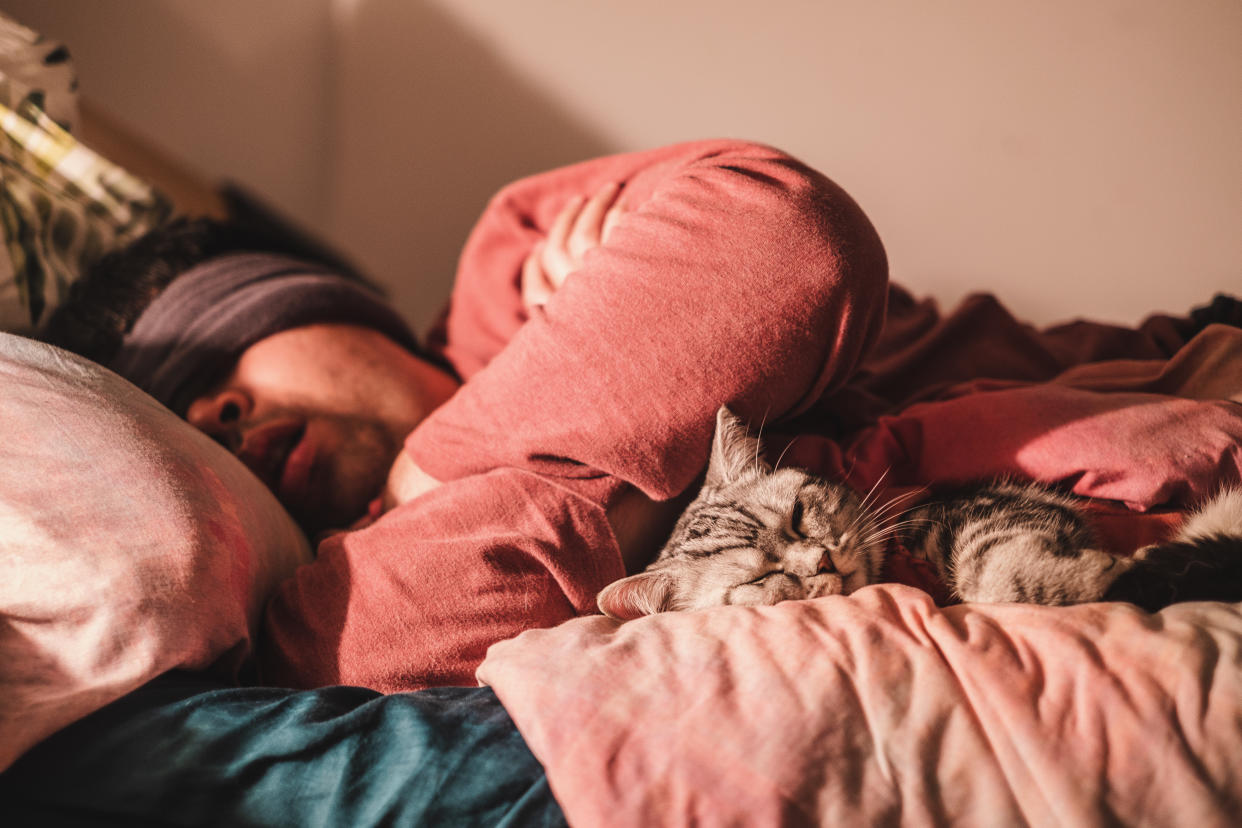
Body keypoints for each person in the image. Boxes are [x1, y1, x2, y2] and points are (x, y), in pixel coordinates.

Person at [45, 138, 1237, 693]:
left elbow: (782, 234)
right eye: (194, 425)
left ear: (315, 300)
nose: (221, 414)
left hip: (1184, 374)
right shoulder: (336, 581)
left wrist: (437, 485)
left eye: (224, 359)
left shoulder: (515, 268)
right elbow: (351, 651)